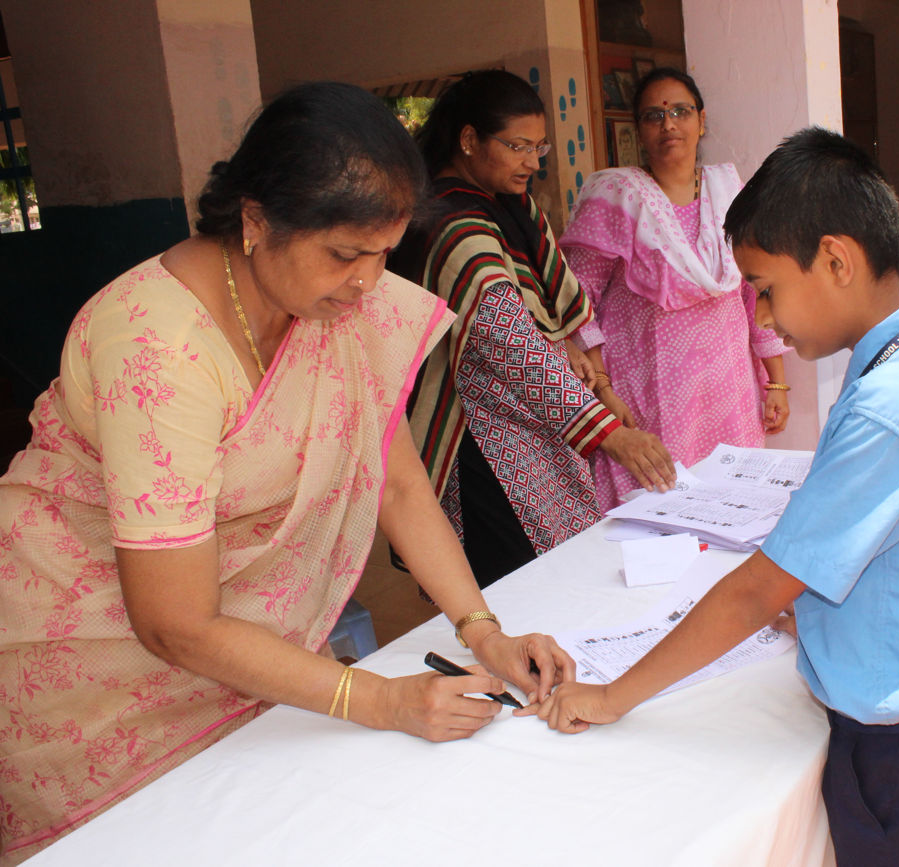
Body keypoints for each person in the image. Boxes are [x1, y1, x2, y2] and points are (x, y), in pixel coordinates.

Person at [0, 82, 574, 863]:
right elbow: (174, 621)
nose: (371, 283)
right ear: (256, 219)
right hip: (95, 676)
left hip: (240, 660)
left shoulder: (338, 304)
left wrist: (484, 631)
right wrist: (379, 698)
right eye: (346, 253)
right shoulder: (159, 347)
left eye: (385, 252)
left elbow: (398, 482)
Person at [536, 128, 899, 866]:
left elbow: (755, 592)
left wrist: (610, 698)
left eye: (765, 290)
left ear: (835, 260)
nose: (762, 320)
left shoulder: (893, 402)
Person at [391, 70, 675, 589]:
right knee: (516, 583)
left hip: (542, 421)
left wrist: (598, 380)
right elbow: (511, 342)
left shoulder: (513, 206)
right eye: (518, 146)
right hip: (483, 438)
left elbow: (560, 299)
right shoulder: (454, 227)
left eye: (539, 146)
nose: (533, 161)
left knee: (561, 566)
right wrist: (607, 434)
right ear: (470, 140)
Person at [558, 68, 789, 511]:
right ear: (639, 130)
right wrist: (603, 391)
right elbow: (576, 301)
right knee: (660, 514)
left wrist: (776, 384)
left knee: (730, 511)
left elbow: (752, 293)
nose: (668, 125)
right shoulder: (615, 196)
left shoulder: (729, 192)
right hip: (647, 393)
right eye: (653, 116)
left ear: (700, 121)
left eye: (680, 112)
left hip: (729, 388)